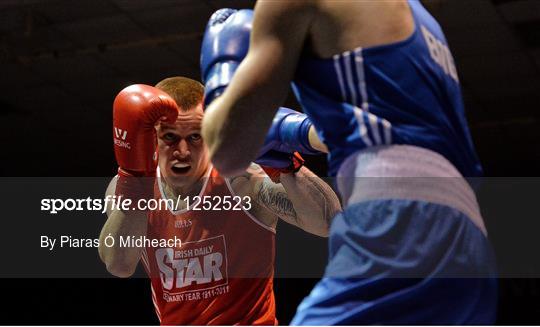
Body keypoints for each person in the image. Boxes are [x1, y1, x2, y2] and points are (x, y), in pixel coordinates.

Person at [200, 2, 497, 324]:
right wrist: (289, 131)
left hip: (398, 219)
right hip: (467, 235)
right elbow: (388, 130)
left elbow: (229, 150)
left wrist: (223, 72)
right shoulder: (419, 17)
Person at [98, 76, 341, 325]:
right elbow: (119, 265)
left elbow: (328, 223)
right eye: (170, 137)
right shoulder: (127, 188)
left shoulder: (240, 179)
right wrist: (135, 186)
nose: (182, 151)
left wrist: (286, 165)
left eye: (194, 137)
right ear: (152, 138)